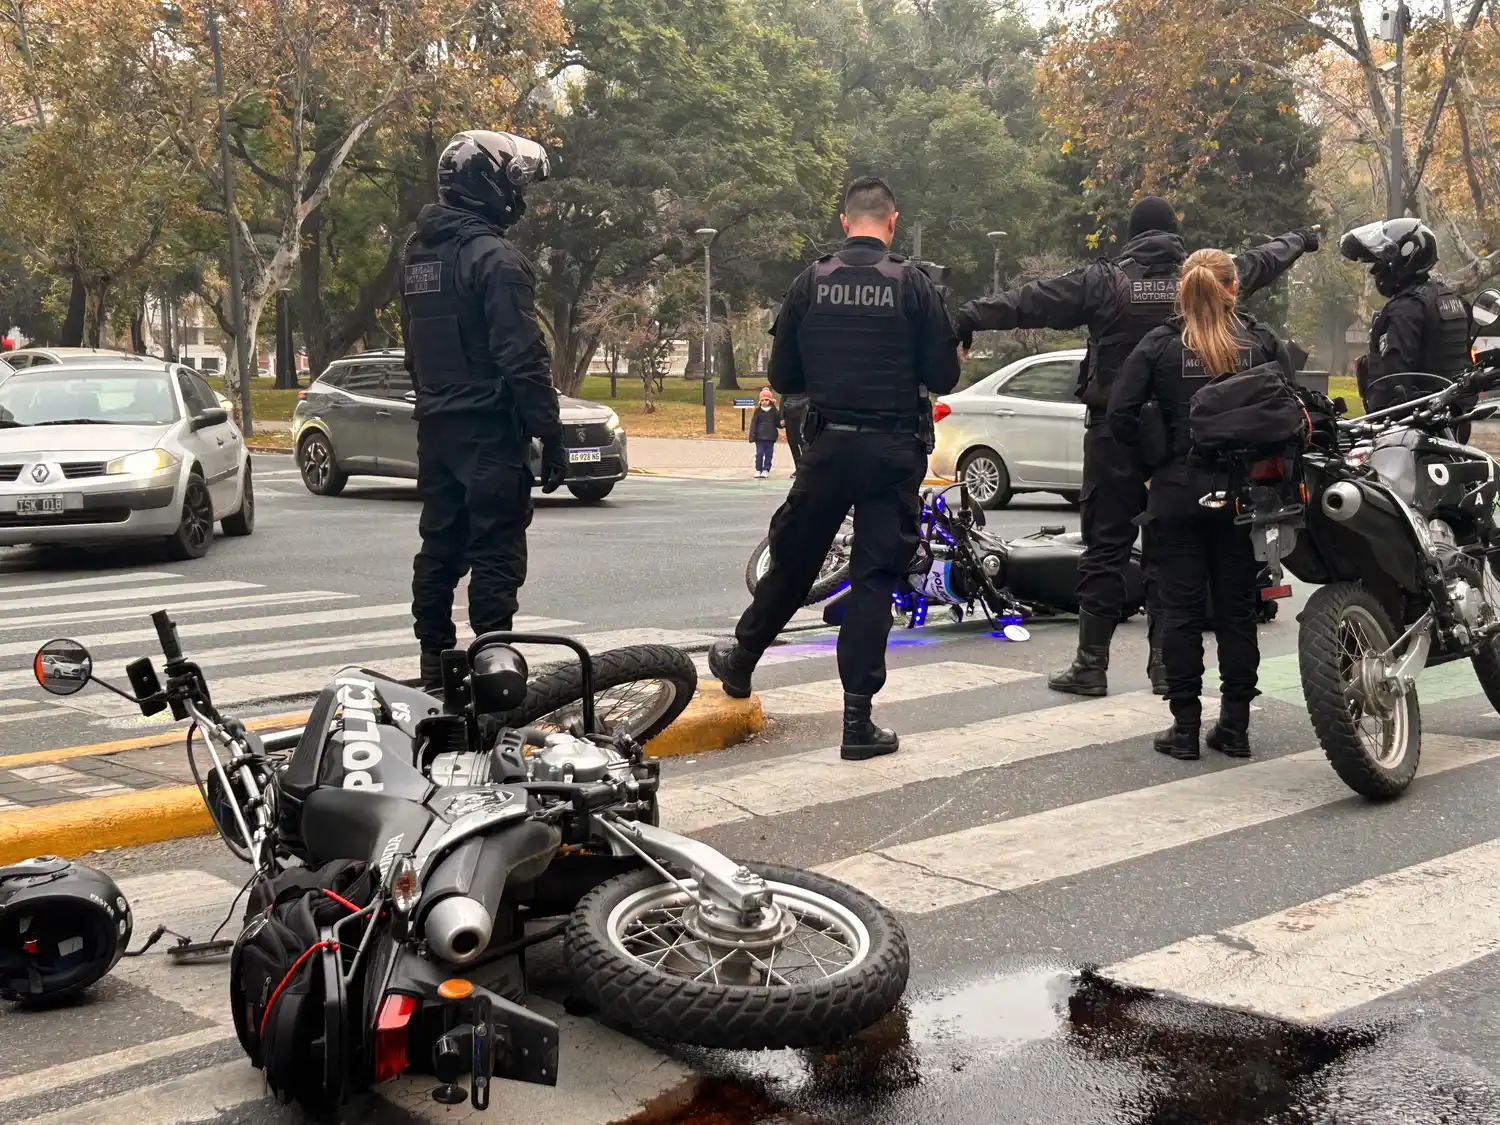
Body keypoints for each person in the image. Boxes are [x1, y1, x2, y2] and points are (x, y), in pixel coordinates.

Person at [951, 199, 1318, 698]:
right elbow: (1263, 259)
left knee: (1105, 549)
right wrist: (1300, 237)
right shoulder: (1205, 278)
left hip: (1114, 434)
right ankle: (1166, 665)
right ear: (1174, 236)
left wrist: (970, 315)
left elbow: (1031, 300)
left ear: (1132, 236)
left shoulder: (1104, 282)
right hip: (1188, 440)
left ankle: (1091, 664)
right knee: (1168, 555)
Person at [708, 177, 960, 760]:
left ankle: (742, 660)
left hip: (827, 447)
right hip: (894, 452)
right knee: (873, 579)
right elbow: (944, 378)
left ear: (846, 222)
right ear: (892, 222)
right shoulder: (914, 285)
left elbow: (786, 378)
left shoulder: (810, 282)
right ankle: (857, 721)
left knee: (795, 562)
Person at [1107, 248, 1297, 760]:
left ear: (1183, 290)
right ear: (1234, 288)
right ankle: (1234, 727)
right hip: (1244, 495)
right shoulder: (1257, 342)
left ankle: (1185, 728)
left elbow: (1120, 414)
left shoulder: (1160, 345)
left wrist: (1150, 471)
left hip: (1177, 488)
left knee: (1180, 611)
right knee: (1238, 608)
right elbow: (1292, 407)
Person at [400, 130, 566, 693]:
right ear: (490, 186)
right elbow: (522, 354)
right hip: (490, 428)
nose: (520, 199)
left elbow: (413, 350)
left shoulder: (419, 254)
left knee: (440, 544)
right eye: (515, 185)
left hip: (437, 425)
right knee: (496, 545)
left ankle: (432, 661)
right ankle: (492, 662)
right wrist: (550, 432)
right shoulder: (496, 259)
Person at [1340, 218, 1474, 437]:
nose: (1376, 272)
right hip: (1455, 422)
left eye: (1380, 263)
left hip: (1414, 428)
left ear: (1405, 258)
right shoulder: (1454, 300)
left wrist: (1376, 426)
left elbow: (1392, 381)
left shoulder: (1405, 309)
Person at [748, 386, 782, 478]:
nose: (764, 402)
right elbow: (753, 424)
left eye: (766, 400)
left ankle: (766, 469)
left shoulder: (774, 412)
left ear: (770, 401)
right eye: (762, 400)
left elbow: (778, 423)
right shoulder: (758, 412)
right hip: (759, 437)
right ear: (760, 402)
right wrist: (752, 436)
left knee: (768, 454)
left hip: (770, 437)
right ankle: (758, 469)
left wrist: (782, 423)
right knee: (759, 454)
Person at [781, 391, 809, 474]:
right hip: (789, 417)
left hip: (802, 416)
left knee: (803, 443)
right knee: (792, 442)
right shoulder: (789, 386)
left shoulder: (805, 385)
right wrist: (782, 417)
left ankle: (805, 467)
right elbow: (783, 401)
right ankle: (798, 467)